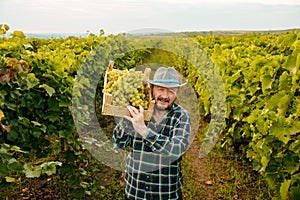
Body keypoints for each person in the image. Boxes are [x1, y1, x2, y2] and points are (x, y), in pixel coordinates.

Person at [113, 67, 191, 200]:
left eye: (171, 91)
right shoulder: (139, 110)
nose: (165, 96)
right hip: (135, 190)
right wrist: (126, 119)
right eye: (160, 89)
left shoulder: (182, 116)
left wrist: (144, 131)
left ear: (177, 92)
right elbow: (118, 143)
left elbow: (176, 150)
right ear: (152, 89)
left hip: (164, 193)